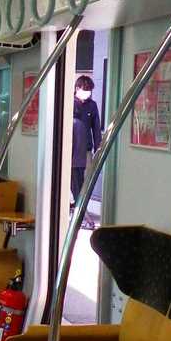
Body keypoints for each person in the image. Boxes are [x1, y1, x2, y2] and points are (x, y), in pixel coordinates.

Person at [71, 74, 102, 228]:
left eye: (90, 90)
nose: (88, 93)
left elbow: (96, 128)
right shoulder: (69, 103)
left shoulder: (92, 106)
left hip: (86, 151)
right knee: (74, 181)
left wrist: (98, 148)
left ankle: (81, 211)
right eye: (85, 89)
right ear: (77, 88)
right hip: (70, 151)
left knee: (84, 183)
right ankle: (80, 213)